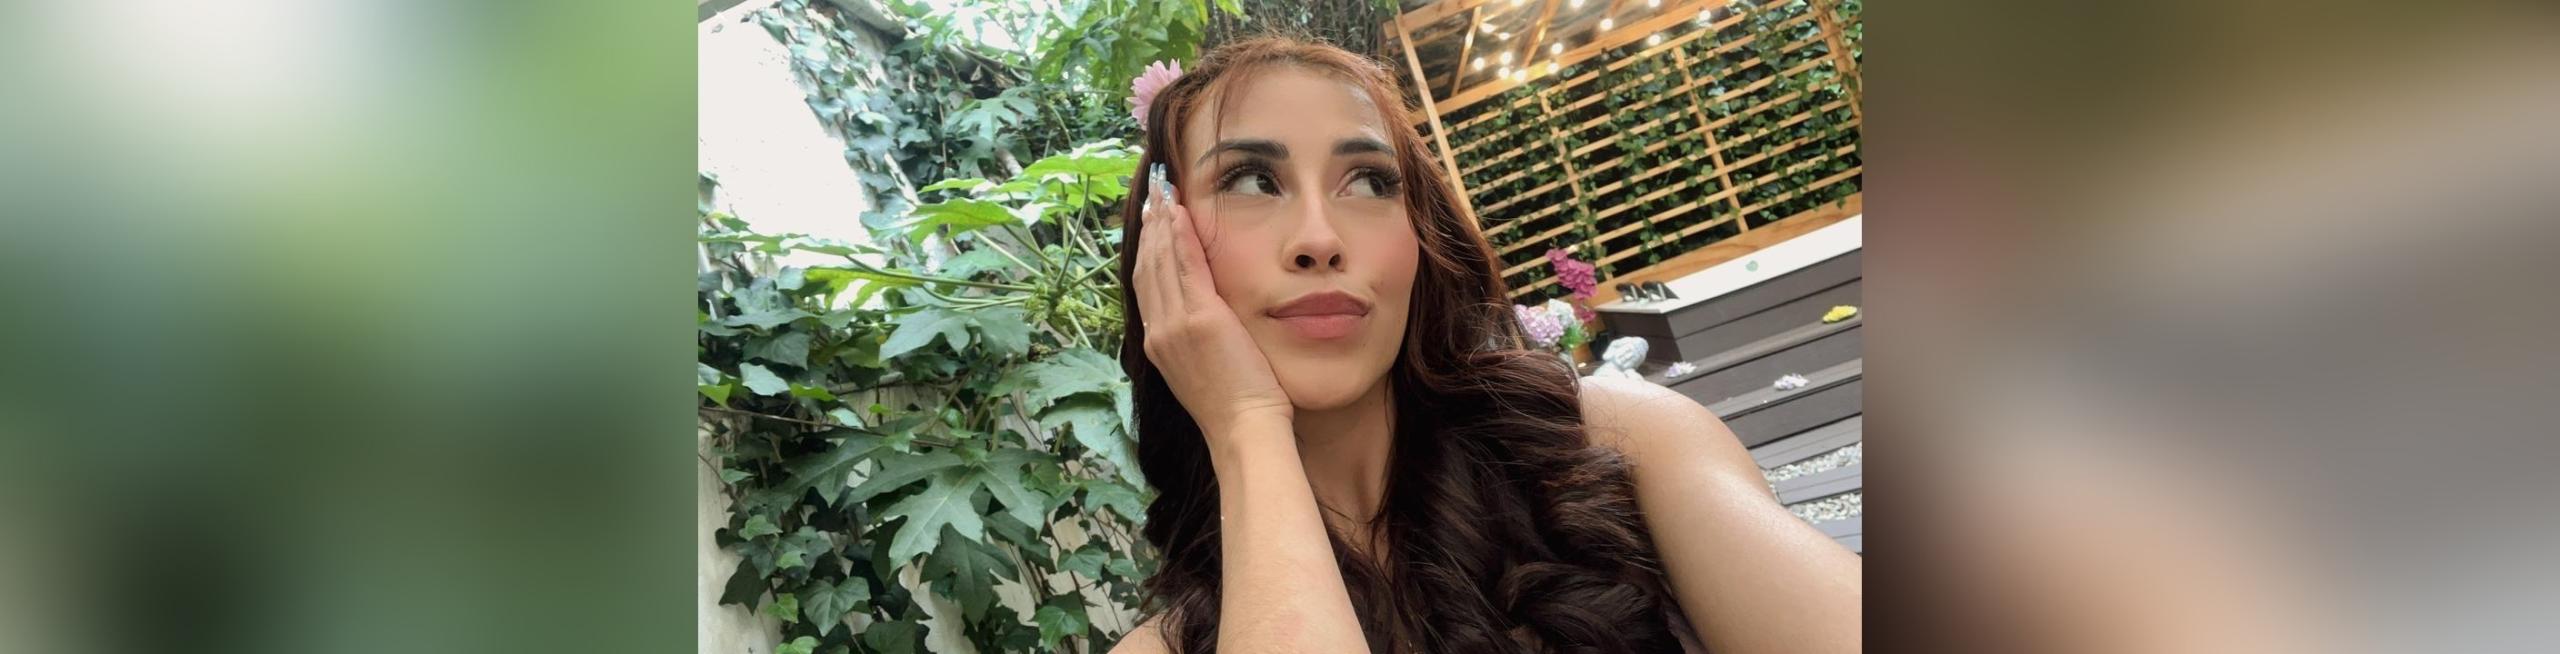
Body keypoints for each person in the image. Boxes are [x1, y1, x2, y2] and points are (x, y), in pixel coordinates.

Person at [1110, 35, 1859, 653]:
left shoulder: (1625, 443)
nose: (1319, 238)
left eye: (1369, 182)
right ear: (1162, 245)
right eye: (1250, 180)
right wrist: (1246, 426)